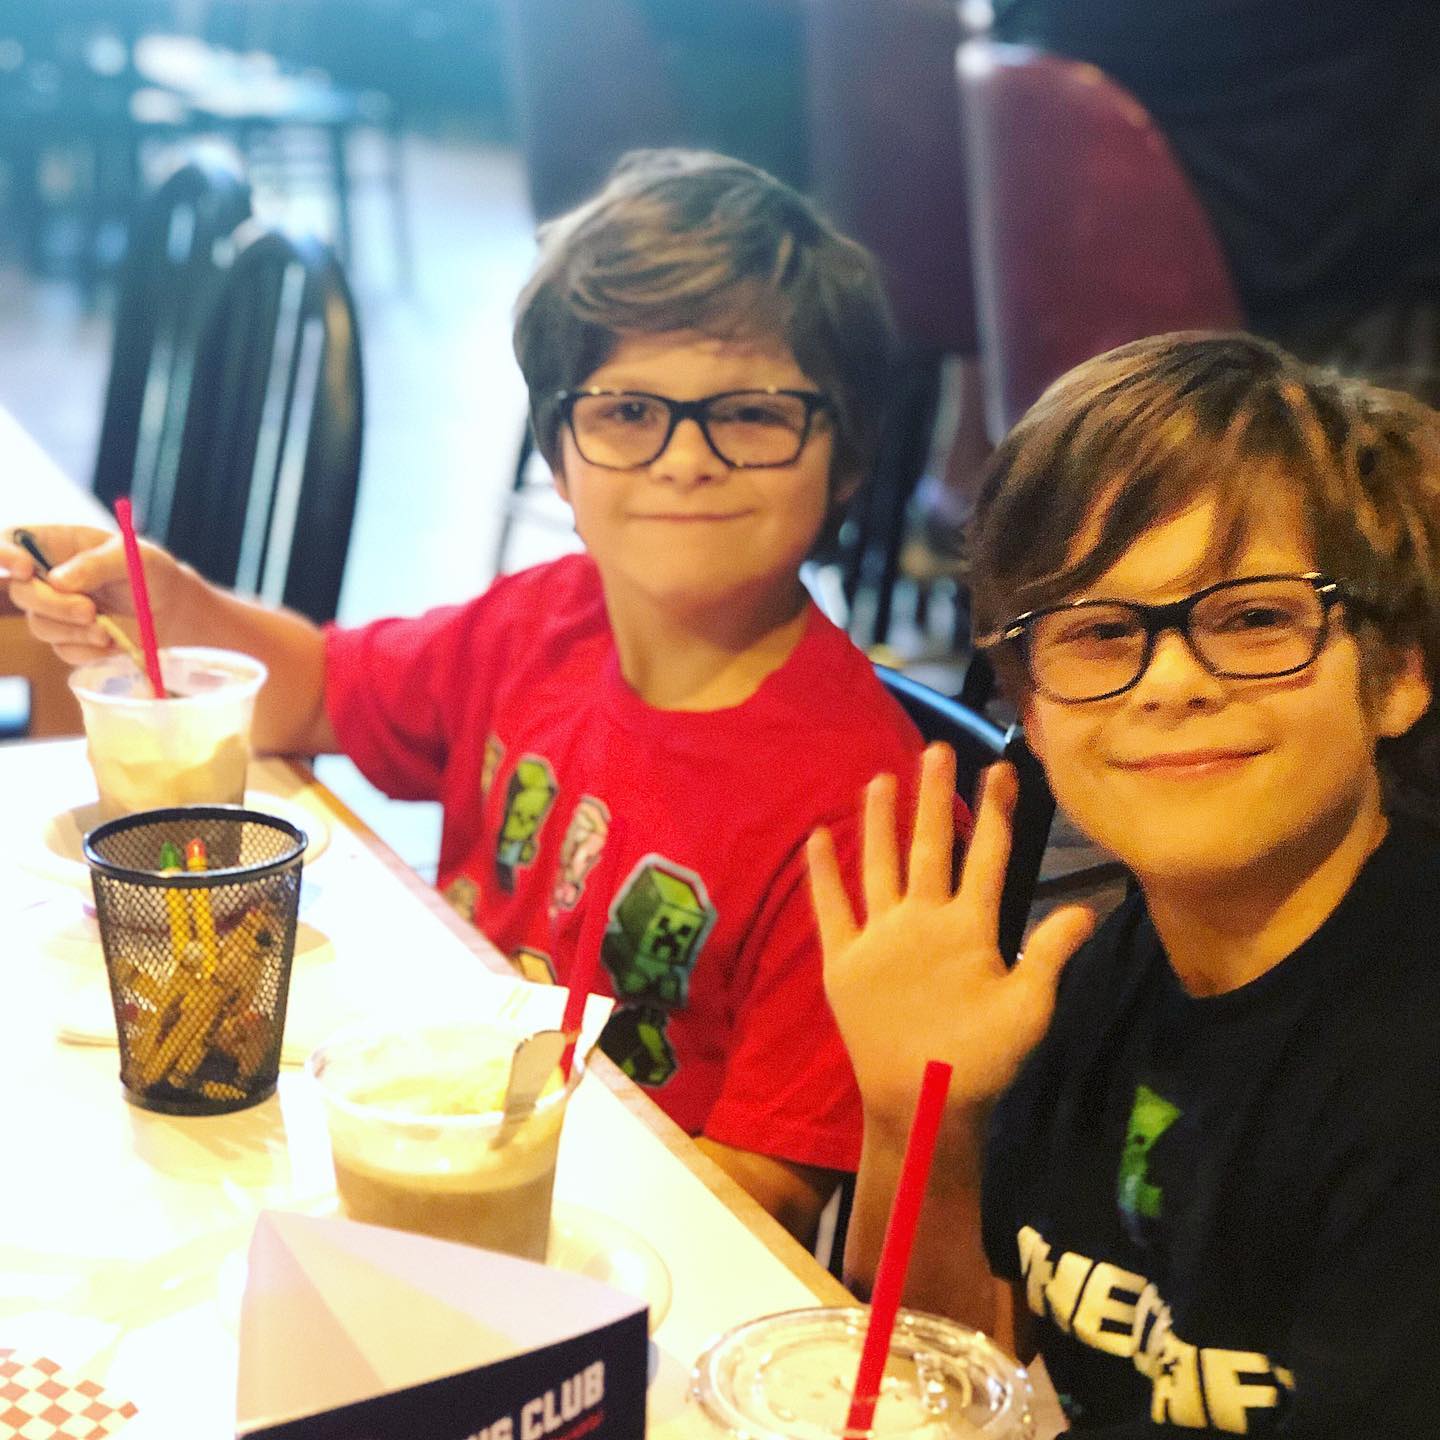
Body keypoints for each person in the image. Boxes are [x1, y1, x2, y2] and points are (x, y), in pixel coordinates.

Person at [2, 149, 937, 1243]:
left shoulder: (868, 813)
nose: (686, 460)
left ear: (847, 455)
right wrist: (177, 601)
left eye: (754, 414)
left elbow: (769, 1193)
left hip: (606, 1247)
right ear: (557, 455)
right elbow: (319, 693)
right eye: (628, 411)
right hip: (432, 1145)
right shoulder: (540, 623)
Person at [809, 332, 1440, 1433]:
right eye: (1100, 633)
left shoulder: (1404, 1084)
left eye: (1256, 618)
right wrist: (916, 1119)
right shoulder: (1102, 968)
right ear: (1032, 709)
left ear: (1398, 678)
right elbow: (975, 1363)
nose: (1172, 682)